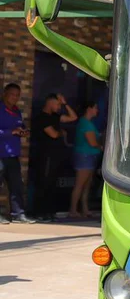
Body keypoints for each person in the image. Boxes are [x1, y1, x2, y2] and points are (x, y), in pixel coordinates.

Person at [30, 93, 77, 221]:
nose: (59, 107)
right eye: (57, 104)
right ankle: (39, 212)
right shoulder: (42, 118)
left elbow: (73, 117)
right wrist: (62, 132)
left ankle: (49, 212)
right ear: (50, 103)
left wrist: (65, 103)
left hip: (56, 156)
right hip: (45, 156)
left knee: (51, 184)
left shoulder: (56, 117)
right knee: (43, 183)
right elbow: (54, 134)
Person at [0, 84, 33, 224]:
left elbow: (20, 127)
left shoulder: (17, 111)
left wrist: (23, 131)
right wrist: (11, 132)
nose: (15, 97)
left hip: (13, 154)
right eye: (12, 94)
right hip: (0, 154)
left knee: (16, 185)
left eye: (17, 95)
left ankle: (18, 214)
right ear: (5, 93)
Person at [70, 101, 102, 219]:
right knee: (80, 184)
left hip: (90, 156)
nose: (97, 110)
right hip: (85, 156)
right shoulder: (85, 123)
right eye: (95, 107)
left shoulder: (89, 123)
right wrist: (101, 146)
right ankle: (73, 209)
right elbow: (93, 142)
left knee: (87, 185)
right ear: (89, 108)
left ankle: (85, 209)